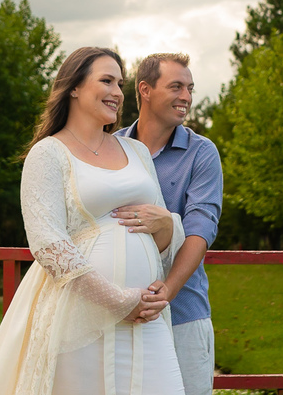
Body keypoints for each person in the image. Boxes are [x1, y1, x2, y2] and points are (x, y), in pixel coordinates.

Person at [0, 47, 186, 395]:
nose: (117, 92)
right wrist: (116, 300)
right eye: (106, 80)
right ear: (73, 86)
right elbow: (47, 243)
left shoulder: (137, 153)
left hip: (145, 316)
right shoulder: (48, 154)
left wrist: (167, 226)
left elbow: (161, 240)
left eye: (120, 83)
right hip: (81, 314)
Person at [113, 53, 223, 395]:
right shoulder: (111, 148)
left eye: (190, 88)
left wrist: (168, 292)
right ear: (145, 90)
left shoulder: (202, 153)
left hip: (184, 314)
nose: (187, 97)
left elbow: (201, 229)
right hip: (120, 313)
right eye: (176, 86)